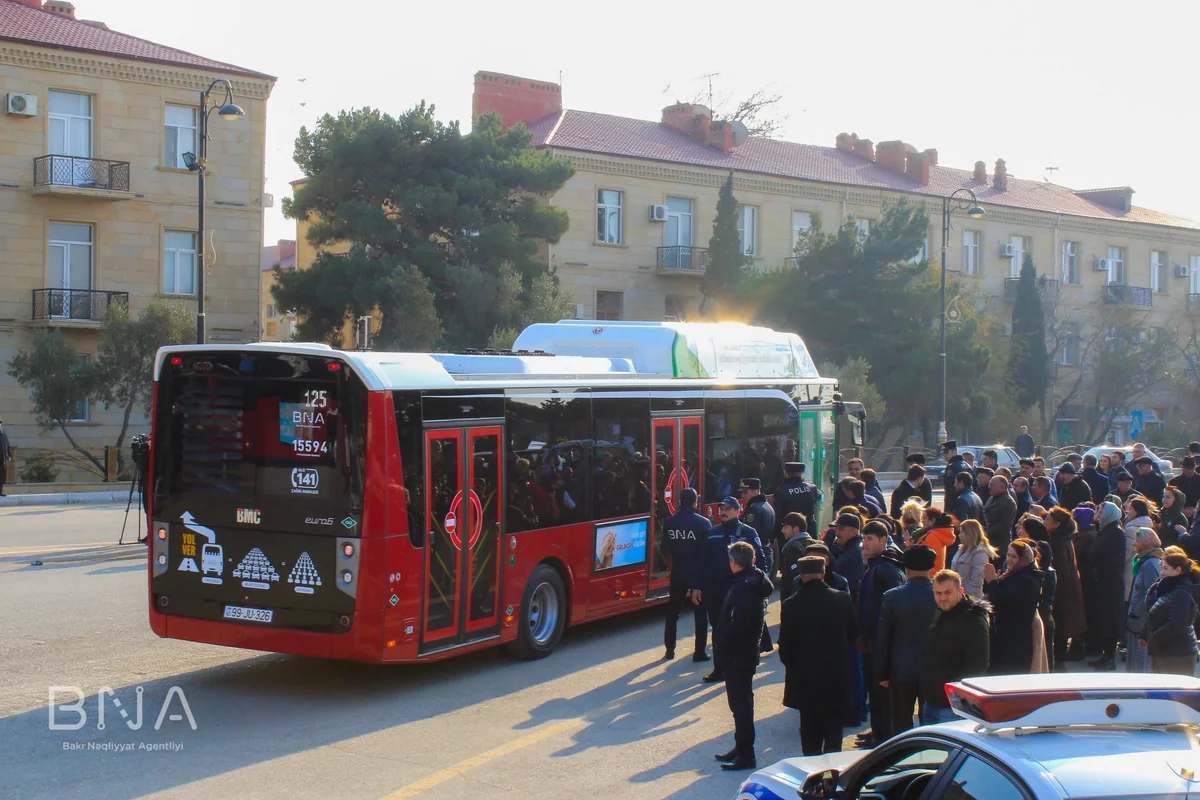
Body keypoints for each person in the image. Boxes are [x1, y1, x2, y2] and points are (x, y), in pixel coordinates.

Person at [779, 555, 858, 756]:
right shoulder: (842, 599)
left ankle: (812, 779)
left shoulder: (791, 604)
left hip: (805, 680)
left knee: (810, 736)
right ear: (823, 573)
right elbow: (853, 636)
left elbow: (785, 647)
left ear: (801, 576)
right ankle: (831, 779)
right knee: (833, 735)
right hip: (835, 677)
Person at [713, 541, 774, 771]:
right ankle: (740, 747)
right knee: (739, 704)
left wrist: (723, 643)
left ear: (734, 562)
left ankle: (746, 754)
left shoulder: (743, 587)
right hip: (743, 652)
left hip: (739, 653)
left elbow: (738, 624)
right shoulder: (751, 579)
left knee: (741, 705)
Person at [698, 496, 766, 684]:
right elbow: (703, 563)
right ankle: (719, 669)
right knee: (718, 630)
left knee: (739, 629)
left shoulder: (748, 533)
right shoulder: (712, 533)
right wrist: (697, 586)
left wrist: (758, 584)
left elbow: (761, 560)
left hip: (739, 591)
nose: (723, 512)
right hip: (716, 592)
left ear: (738, 511)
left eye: (728, 508)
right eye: (721, 508)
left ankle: (739, 665)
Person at [874, 544, 938, 736]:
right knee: (931, 720)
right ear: (931, 567)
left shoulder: (892, 596)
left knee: (900, 721)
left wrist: (881, 673)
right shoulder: (941, 596)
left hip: (900, 669)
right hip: (933, 670)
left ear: (906, 568)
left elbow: (883, 637)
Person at [856, 520, 905, 746]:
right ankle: (877, 730)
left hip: (881, 639)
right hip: (871, 637)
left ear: (884, 541)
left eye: (869, 539)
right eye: (864, 538)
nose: (864, 543)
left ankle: (884, 736)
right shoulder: (876, 564)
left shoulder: (887, 568)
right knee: (873, 689)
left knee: (882, 692)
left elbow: (893, 606)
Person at [921, 570, 991, 724]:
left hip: (953, 707)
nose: (942, 597)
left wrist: (954, 695)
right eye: (938, 593)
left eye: (948, 592)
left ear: (960, 591)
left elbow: (978, 664)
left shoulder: (973, 619)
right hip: (931, 701)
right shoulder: (940, 613)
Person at [662, 487, 712, 662]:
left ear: (680, 501)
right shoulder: (704, 523)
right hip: (698, 574)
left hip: (678, 573)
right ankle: (699, 652)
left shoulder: (669, 522)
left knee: (673, 612)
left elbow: (665, 551)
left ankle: (669, 649)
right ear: (695, 501)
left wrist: (673, 567)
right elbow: (708, 552)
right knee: (700, 614)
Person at [983, 538, 1044, 675]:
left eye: (1014, 557)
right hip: (1005, 636)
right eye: (1008, 555)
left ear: (1023, 559)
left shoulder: (1027, 579)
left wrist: (992, 581)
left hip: (1016, 640)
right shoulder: (1013, 574)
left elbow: (1003, 599)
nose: (1009, 560)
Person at [1144, 546, 1200, 676]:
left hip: (1177, 653)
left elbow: (1177, 623)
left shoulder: (1180, 593)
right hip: (1168, 650)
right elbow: (1156, 614)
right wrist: (1144, 634)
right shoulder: (1165, 587)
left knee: (1175, 694)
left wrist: (1153, 638)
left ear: (1177, 570)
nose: (1161, 572)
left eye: (1165, 568)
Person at [1086, 502, 1129, 670]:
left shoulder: (1115, 533)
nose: (1098, 514)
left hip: (1110, 582)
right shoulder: (1105, 530)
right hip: (1103, 581)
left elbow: (1100, 554)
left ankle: (1109, 656)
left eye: (1101, 511)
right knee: (1103, 618)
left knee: (1109, 619)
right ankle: (1105, 654)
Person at [1044, 507, 1086, 667]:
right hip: (1067, 588)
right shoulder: (1064, 538)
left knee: (1060, 624)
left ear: (1057, 524)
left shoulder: (1057, 541)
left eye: (1048, 520)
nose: (1044, 522)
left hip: (1061, 590)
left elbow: (1060, 567)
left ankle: (1059, 659)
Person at [1020, 516, 1058, 672]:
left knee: (1041, 664)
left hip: (1040, 617)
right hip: (1045, 616)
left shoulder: (1037, 575)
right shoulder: (1048, 571)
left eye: (1021, 527)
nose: (1017, 529)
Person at [1127, 527, 1163, 673]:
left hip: (1141, 623)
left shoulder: (1150, 564)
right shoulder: (1144, 562)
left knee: (1140, 664)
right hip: (1136, 621)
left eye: (1137, 540)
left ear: (1146, 543)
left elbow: (1151, 594)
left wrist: (1136, 613)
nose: (1134, 544)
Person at [950, 519, 997, 600]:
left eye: (962, 532)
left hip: (970, 600)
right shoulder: (961, 550)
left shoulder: (980, 554)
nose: (959, 535)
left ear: (970, 534)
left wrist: (963, 598)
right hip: (956, 596)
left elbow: (976, 583)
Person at [773, 462, 821, 542]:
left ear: (786, 473)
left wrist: (773, 536)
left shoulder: (781, 490)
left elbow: (777, 515)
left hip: (790, 531)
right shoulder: (812, 488)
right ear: (801, 473)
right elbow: (818, 496)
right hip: (809, 529)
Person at [777, 512, 814, 600]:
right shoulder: (815, 544)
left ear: (796, 529)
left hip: (793, 598)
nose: (782, 531)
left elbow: (795, 575)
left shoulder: (792, 548)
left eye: (786, 527)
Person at [831, 513, 866, 606]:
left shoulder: (856, 553)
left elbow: (853, 588)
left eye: (841, 529)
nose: (837, 533)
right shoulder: (847, 549)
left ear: (854, 531)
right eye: (836, 529)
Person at [1124, 497, 1156, 599]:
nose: (1128, 512)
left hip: (1129, 569)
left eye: (1131, 509)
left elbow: (1126, 554)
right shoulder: (1150, 526)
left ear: (1136, 511)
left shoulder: (1131, 529)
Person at [982, 475, 1017, 552]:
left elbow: (1005, 525)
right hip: (988, 542)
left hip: (999, 545)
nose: (989, 486)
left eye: (992, 485)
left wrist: (985, 533)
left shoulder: (1008, 502)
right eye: (989, 484)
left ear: (1002, 487)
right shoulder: (991, 498)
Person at [1170, 457, 1200, 522]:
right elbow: (1170, 498)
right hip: (1179, 516)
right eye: (1187, 468)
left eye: (1191, 468)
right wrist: (1181, 509)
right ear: (1182, 467)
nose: (1189, 471)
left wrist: (1196, 509)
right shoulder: (1174, 482)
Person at [0, 419, 11, 497]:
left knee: (1, 477)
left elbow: (7, 446)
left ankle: (0, 492)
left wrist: (9, 455)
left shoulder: (3, 434)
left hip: (2, 459)